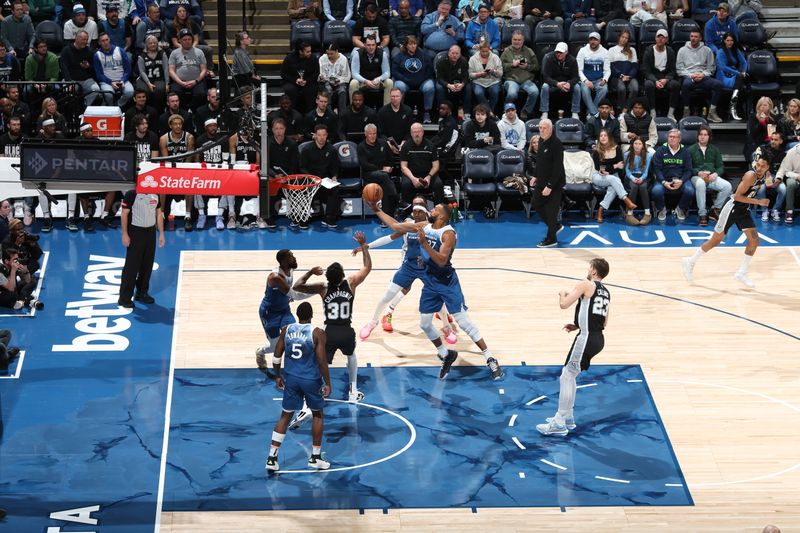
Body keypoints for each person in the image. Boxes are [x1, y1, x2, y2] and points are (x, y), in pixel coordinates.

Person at [367, 199, 504, 380]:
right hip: (430, 282)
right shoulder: (425, 225)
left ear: (442, 216)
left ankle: (490, 357)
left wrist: (424, 244)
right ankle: (446, 354)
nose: (431, 210)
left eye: (435, 209)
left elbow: (441, 261)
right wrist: (377, 210)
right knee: (424, 324)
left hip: (447, 283)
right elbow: (396, 226)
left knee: (463, 323)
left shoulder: (448, 234)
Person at [358, 197, 457, 342]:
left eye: (419, 211)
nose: (416, 213)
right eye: (414, 211)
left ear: (426, 214)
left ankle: (447, 328)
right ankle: (373, 322)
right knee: (387, 295)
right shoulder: (409, 225)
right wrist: (367, 246)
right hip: (409, 266)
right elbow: (391, 234)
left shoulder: (431, 227)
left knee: (438, 300)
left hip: (427, 268)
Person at [292, 231, 372, 408]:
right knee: (351, 356)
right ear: (342, 275)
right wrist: (364, 245)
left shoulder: (323, 287)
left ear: (327, 276)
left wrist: (310, 272)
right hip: (346, 330)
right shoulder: (350, 283)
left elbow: (297, 286)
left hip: (329, 332)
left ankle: (313, 395)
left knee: (320, 362)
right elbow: (367, 268)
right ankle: (353, 391)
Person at [535, 258, 611, 436]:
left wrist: (562, 293)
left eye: (589, 267)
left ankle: (559, 421)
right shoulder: (606, 292)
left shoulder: (586, 284)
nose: (588, 269)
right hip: (598, 338)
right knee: (571, 374)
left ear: (594, 271)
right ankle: (568, 417)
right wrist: (578, 325)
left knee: (566, 375)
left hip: (586, 339)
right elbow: (603, 321)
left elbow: (564, 304)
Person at [682, 153, 772, 288]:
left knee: (754, 240)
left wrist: (774, 181)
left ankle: (742, 273)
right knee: (716, 240)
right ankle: (690, 261)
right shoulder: (750, 176)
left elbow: (770, 184)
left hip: (743, 209)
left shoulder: (766, 174)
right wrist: (758, 202)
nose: (758, 168)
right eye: (757, 165)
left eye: (762, 166)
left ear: (767, 167)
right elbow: (737, 197)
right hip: (732, 207)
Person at [265, 301, 332, 472]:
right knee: (317, 414)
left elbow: (276, 356)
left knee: (285, 416)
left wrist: (278, 375)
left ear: (297, 315)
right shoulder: (317, 333)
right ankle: (315, 458)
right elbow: (321, 360)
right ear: (311, 315)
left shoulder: (286, 330)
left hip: (292, 379)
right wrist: (328, 382)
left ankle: (272, 459)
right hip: (310, 380)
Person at [255, 249, 310, 371]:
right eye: (291, 257)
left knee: (293, 337)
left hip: (284, 310)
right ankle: (260, 352)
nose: (294, 258)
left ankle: (294, 368)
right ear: (284, 261)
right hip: (269, 313)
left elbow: (290, 289)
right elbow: (295, 294)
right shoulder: (275, 277)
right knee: (275, 347)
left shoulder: (290, 269)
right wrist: (317, 291)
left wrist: (287, 296)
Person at [118, 188, 165, 308]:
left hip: (150, 232)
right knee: (131, 266)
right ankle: (124, 298)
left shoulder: (155, 193)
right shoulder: (131, 194)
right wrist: (125, 234)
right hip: (135, 232)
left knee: (147, 265)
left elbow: (159, 213)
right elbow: (124, 213)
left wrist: (161, 233)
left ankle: (142, 293)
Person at [299, 124, 341, 229]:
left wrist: (334, 176)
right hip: (311, 180)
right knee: (303, 187)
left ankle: (329, 217)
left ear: (327, 135)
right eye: (319, 135)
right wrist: (310, 177)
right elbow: (302, 167)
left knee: (335, 189)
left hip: (325, 180)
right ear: (315, 136)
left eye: (324, 135)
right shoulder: (307, 149)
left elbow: (335, 166)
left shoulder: (331, 150)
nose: (321, 137)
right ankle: (304, 217)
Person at [676, 29, 724, 123]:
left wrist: (703, 74)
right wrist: (691, 75)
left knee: (718, 85)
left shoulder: (707, 50)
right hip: (689, 76)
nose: (693, 38)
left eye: (696, 36)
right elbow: (679, 68)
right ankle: (686, 111)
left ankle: (712, 112)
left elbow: (711, 68)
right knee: (685, 85)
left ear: (700, 38)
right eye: (691, 36)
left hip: (704, 77)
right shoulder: (682, 50)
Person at [689, 125, 732, 227]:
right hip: (697, 177)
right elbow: (688, 168)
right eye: (700, 134)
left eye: (705, 135)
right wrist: (698, 172)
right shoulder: (691, 149)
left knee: (727, 186)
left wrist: (716, 174)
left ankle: (715, 209)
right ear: (698, 136)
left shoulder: (714, 149)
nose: (702, 137)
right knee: (700, 184)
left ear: (709, 137)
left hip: (711, 177)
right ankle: (702, 214)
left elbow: (720, 166)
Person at [531, 118, 564, 247]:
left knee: (551, 211)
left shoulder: (556, 144)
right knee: (536, 203)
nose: (542, 130)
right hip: (542, 181)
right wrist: (535, 176)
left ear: (550, 129)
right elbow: (539, 161)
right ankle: (555, 225)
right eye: (540, 128)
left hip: (554, 184)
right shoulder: (540, 140)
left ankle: (552, 239)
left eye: (544, 128)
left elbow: (558, 168)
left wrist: (550, 186)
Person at [591, 128, 636, 223]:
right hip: (598, 176)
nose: (603, 137)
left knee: (613, 187)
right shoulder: (596, 151)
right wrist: (614, 166)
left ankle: (600, 210)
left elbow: (621, 166)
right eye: (601, 136)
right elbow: (599, 167)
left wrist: (609, 169)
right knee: (614, 179)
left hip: (613, 176)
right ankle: (626, 199)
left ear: (609, 137)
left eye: (605, 135)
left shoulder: (617, 149)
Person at [358, 123, 400, 217]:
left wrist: (390, 167)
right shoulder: (361, 146)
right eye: (370, 134)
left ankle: (386, 216)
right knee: (384, 177)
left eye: (374, 133)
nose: (372, 136)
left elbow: (391, 158)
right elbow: (364, 165)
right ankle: (398, 200)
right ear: (365, 134)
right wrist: (381, 169)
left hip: (384, 175)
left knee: (384, 183)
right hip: (369, 174)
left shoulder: (383, 143)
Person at [391, 35, 435, 123]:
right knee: (398, 86)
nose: (413, 46)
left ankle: (427, 112)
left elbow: (430, 70)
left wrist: (421, 79)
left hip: (421, 81)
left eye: (414, 44)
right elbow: (395, 71)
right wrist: (405, 79)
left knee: (430, 87)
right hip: (405, 82)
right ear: (406, 45)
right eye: (410, 44)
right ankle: (399, 111)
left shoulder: (423, 55)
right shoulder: (399, 56)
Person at [653, 128, 693, 222]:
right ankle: (661, 209)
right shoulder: (660, 150)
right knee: (656, 190)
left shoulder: (685, 152)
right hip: (664, 179)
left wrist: (681, 181)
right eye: (670, 137)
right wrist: (663, 181)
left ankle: (680, 208)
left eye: (674, 137)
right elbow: (657, 169)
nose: (672, 139)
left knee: (690, 190)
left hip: (680, 180)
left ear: (679, 139)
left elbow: (688, 170)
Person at [400, 122, 444, 205]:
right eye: (414, 132)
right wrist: (413, 179)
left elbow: (436, 165)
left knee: (438, 184)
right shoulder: (405, 146)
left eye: (419, 131)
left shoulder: (431, 145)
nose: (417, 134)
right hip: (411, 174)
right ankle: (407, 210)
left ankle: (439, 209)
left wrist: (429, 177)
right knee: (405, 184)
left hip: (428, 174)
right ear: (411, 133)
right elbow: (403, 167)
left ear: (423, 132)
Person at [641, 29, 679, 120]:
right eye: (658, 37)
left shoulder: (670, 52)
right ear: (655, 38)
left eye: (663, 38)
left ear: (666, 40)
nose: (660, 39)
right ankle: (652, 112)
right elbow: (646, 71)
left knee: (676, 85)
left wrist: (666, 79)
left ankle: (670, 113)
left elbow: (672, 70)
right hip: (653, 77)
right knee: (648, 84)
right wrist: (655, 81)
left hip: (665, 77)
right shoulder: (649, 51)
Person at [500, 30, 538, 120]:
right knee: (512, 93)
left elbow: (536, 67)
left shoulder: (529, 51)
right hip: (511, 79)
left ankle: (525, 110)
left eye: (519, 40)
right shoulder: (506, 52)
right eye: (515, 39)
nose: (517, 42)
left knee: (535, 92)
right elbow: (500, 67)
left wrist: (527, 66)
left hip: (526, 80)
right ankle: (506, 109)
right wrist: (511, 65)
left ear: (523, 40)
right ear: (511, 40)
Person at [168, 28, 208, 109]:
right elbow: (171, 70)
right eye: (184, 39)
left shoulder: (199, 52)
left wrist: (195, 81)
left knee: (200, 93)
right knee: (176, 92)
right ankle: (183, 110)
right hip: (179, 81)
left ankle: (192, 110)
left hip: (196, 81)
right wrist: (181, 82)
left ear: (192, 40)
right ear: (180, 41)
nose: (187, 41)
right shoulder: (174, 53)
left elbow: (204, 69)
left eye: (189, 39)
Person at [539, 42, 580, 120]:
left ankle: (575, 112)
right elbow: (545, 77)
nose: (558, 54)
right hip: (553, 84)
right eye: (557, 52)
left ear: (566, 52)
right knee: (545, 86)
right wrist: (556, 84)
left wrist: (569, 83)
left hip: (566, 85)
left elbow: (576, 77)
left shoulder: (572, 60)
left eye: (561, 52)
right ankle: (544, 112)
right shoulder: (549, 58)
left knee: (577, 87)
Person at [60, 30, 100, 108]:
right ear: (76, 38)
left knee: (95, 89)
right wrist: (69, 81)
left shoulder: (89, 51)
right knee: (68, 90)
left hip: (85, 79)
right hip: (71, 78)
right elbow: (64, 67)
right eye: (83, 39)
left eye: (86, 39)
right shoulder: (66, 50)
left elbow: (94, 69)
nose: (85, 42)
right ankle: (71, 110)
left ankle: (84, 107)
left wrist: (88, 67)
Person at [349, 34, 393, 106]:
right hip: (363, 82)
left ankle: (386, 110)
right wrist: (365, 81)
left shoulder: (382, 53)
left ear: (376, 45)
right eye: (369, 45)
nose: (371, 47)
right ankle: (353, 109)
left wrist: (379, 79)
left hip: (377, 82)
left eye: (373, 45)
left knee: (389, 82)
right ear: (365, 45)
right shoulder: (357, 53)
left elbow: (387, 72)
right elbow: (354, 73)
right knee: (353, 83)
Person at [94, 32, 134, 107]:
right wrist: (110, 82)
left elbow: (128, 69)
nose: (105, 42)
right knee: (108, 94)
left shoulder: (120, 50)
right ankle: (110, 107)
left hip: (122, 79)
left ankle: (118, 106)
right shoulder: (97, 55)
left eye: (107, 40)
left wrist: (123, 80)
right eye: (103, 41)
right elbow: (99, 74)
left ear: (109, 40)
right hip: (107, 81)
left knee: (130, 92)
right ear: (99, 43)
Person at [715, 31, 748, 122]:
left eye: (731, 40)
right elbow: (723, 67)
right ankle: (734, 108)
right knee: (741, 82)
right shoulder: (720, 51)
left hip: (735, 74)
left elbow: (744, 62)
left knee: (743, 78)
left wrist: (744, 71)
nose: (730, 42)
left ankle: (733, 105)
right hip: (723, 75)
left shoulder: (736, 50)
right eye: (728, 40)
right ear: (724, 41)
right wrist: (738, 73)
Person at [576, 32, 609, 119]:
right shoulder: (582, 51)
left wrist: (605, 79)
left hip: (599, 79)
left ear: (599, 41)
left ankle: (590, 112)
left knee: (604, 89)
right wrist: (586, 80)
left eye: (595, 39)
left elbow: (607, 70)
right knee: (585, 90)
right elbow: (579, 69)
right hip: (586, 79)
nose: (593, 41)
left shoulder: (605, 52)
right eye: (591, 39)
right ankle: (595, 113)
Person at [280, 42, 319, 114]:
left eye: (310, 51)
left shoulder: (313, 58)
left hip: (308, 82)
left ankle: (310, 114)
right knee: (290, 89)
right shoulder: (289, 58)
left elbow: (316, 73)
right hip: (292, 82)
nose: (310, 53)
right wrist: (295, 80)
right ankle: (292, 113)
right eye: (307, 51)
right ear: (300, 51)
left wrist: (306, 81)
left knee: (312, 89)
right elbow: (283, 73)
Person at [623, 136, 653, 225]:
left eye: (640, 144)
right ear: (632, 145)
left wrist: (641, 178)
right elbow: (627, 171)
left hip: (643, 176)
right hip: (630, 176)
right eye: (635, 143)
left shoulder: (648, 155)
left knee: (643, 186)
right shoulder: (627, 154)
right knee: (634, 186)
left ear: (643, 145)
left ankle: (647, 213)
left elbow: (646, 171)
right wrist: (633, 178)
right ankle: (629, 213)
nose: (637, 146)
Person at [607, 30, 638, 114]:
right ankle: (620, 109)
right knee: (621, 88)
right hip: (617, 77)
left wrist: (629, 76)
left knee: (635, 88)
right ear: (619, 37)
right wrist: (621, 76)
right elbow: (611, 67)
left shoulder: (632, 50)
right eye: (622, 37)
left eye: (626, 38)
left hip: (629, 77)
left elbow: (634, 67)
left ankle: (625, 109)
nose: (624, 39)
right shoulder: (611, 50)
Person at [136, 34, 169, 112]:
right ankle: (144, 111)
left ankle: (159, 111)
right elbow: (142, 71)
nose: (153, 44)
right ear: (146, 44)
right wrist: (148, 83)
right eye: (150, 43)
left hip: (159, 78)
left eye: (154, 43)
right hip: (145, 79)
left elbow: (166, 69)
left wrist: (167, 83)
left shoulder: (162, 54)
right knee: (144, 91)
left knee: (160, 90)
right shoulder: (142, 56)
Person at [434, 44, 470, 117]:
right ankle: (442, 113)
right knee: (439, 88)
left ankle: (467, 112)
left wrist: (462, 84)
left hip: (458, 82)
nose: (454, 55)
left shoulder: (464, 61)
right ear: (449, 53)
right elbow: (439, 78)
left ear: (460, 54)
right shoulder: (441, 61)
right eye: (453, 53)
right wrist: (448, 85)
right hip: (445, 82)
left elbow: (466, 77)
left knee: (468, 88)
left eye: (457, 53)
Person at [468, 41, 502, 112]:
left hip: (493, 80)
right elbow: (470, 75)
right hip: (478, 81)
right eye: (483, 51)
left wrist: (493, 71)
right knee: (478, 93)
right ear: (479, 50)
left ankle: (489, 111)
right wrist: (479, 74)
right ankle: (490, 112)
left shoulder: (495, 58)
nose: (485, 53)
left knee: (495, 92)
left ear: (490, 49)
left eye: (487, 51)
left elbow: (500, 73)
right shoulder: (473, 59)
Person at [318, 42, 351, 112]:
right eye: (328, 54)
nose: (329, 56)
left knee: (342, 91)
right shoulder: (322, 59)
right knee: (328, 90)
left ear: (337, 51)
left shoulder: (343, 59)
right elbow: (321, 74)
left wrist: (338, 81)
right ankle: (329, 113)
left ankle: (342, 114)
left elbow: (347, 76)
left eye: (331, 54)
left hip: (340, 82)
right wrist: (321, 77)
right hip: (327, 82)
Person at [777, 142, 800, 224]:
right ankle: (789, 211)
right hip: (794, 176)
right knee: (790, 184)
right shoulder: (791, 152)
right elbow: (787, 171)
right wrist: (797, 176)